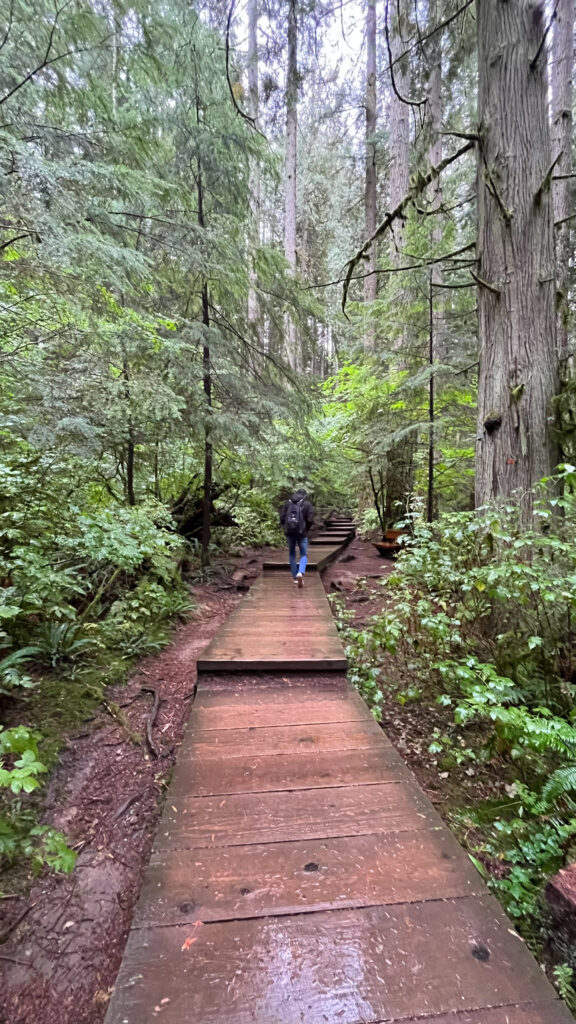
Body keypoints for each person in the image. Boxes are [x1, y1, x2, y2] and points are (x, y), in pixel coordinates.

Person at [280, 488, 315, 587]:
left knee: (292, 554)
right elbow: (310, 519)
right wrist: (306, 529)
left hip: (290, 533)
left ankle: (295, 577)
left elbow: (282, 518)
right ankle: (301, 572)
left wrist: (286, 528)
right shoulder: (307, 505)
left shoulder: (288, 504)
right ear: (305, 495)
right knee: (304, 554)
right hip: (302, 534)